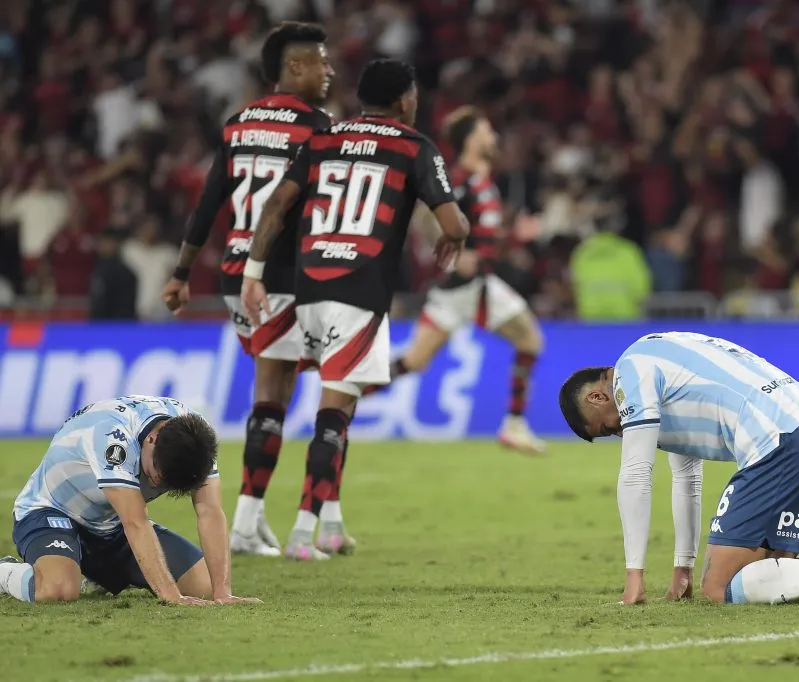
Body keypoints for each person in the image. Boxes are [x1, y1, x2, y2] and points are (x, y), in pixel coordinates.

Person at [240, 58, 469, 560]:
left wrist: (253, 273)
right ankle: (304, 533)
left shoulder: (322, 139)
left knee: (339, 401)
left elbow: (276, 207)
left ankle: (331, 525)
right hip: (360, 288)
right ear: (406, 99)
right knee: (335, 414)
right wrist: (454, 238)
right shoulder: (414, 146)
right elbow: (452, 223)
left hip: (307, 285)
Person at [558, 332, 799, 606]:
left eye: (608, 427)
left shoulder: (630, 372)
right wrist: (681, 568)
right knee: (766, 573)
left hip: (780, 443)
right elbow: (687, 476)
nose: (620, 431)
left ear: (598, 395)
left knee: (718, 588)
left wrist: (634, 578)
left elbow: (636, 474)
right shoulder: (661, 356)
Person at [160, 23, 344, 558]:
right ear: (294, 68)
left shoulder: (238, 123)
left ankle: (255, 516)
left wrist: (180, 272)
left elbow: (210, 201)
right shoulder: (317, 125)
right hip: (279, 272)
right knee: (279, 389)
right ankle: (244, 520)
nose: (329, 72)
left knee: (278, 387)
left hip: (233, 273)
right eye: (321, 63)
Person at [362, 107, 545, 453]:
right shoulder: (458, 178)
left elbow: (487, 240)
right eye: (487, 131)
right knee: (414, 362)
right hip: (458, 290)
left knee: (530, 341)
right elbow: (424, 218)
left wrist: (516, 237)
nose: (493, 138)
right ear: (471, 140)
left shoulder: (485, 181)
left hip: (483, 286)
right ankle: (343, 401)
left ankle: (515, 425)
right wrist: (454, 254)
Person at [0, 396, 259, 606]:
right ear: (151, 439)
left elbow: (210, 511)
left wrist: (223, 592)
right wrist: (171, 594)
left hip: (110, 522)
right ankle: (5, 572)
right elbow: (136, 522)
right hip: (51, 511)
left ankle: (98, 574)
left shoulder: (197, 442)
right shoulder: (113, 438)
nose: (156, 485)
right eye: (156, 475)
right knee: (58, 590)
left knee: (204, 586)